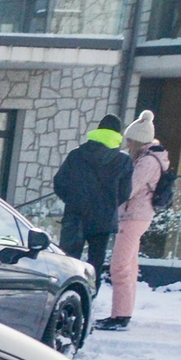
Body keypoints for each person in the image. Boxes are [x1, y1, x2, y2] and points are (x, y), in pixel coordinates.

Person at [102, 111, 171, 332]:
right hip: (137, 216)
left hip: (134, 217)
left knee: (120, 266)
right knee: (129, 267)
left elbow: (128, 189)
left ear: (138, 140)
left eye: (130, 139)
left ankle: (120, 316)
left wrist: (107, 188)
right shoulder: (148, 158)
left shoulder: (147, 162)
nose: (127, 143)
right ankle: (122, 314)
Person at [52, 115, 130, 283]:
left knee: (68, 261)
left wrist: (73, 200)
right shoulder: (123, 161)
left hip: (75, 216)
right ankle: (90, 300)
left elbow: (59, 182)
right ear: (118, 134)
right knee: (96, 263)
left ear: (98, 130)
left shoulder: (76, 154)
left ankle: (67, 298)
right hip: (104, 219)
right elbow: (125, 192)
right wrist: (109, 204)